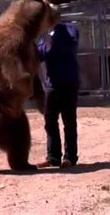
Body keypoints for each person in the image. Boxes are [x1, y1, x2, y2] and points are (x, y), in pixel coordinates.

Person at [36, 21, 80, 168]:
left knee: (69, 122)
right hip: (51, 85)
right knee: (50, 122)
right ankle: (53, 157)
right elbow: (39, 56)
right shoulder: (44, 36)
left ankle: (70, 158)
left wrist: (53, 40)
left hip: (68, 82)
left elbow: (70, 47)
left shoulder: (70, 29)